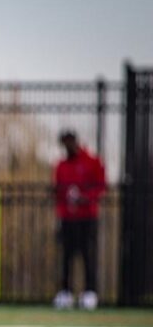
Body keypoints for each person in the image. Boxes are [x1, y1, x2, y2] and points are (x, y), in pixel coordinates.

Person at [52, 130, 106, 310]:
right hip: (68, 218)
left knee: (88, 255)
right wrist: (60, 214)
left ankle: (90, 292)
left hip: (87, 217)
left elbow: (101, 186)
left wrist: (86, 198)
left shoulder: (92, 162)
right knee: (67, 256)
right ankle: (66, 292)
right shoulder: (61, 166)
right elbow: (58, 192)